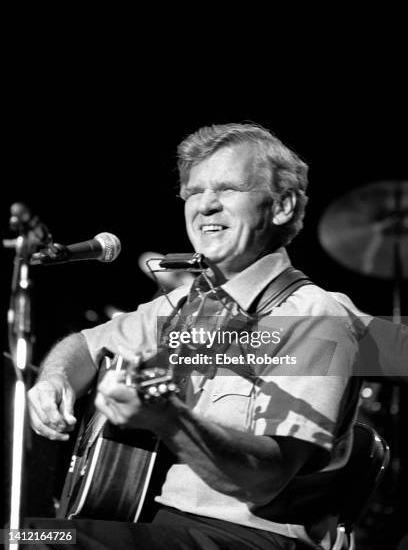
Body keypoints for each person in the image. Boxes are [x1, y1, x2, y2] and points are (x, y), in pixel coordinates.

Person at [27, 123, 366, 550]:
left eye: (227, 189)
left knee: (33, 539)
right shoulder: (186, 302)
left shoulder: (314, 316)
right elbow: (87, 345)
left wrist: (168, 419)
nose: (205, 206)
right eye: (194, 191)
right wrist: (54, 377)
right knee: (21, 532)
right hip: (155, 524)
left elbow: (267, 479)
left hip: (246, 538)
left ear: (282, 206)